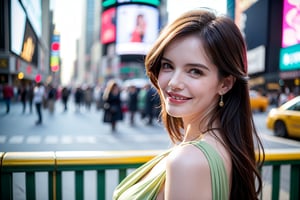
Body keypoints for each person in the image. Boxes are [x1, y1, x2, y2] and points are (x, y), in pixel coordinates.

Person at [113, 9, 264, 200]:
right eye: (167, 65)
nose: (174, 82)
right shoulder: (222, 144)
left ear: (224, 84)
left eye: (194, 71)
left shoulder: (188, 162)